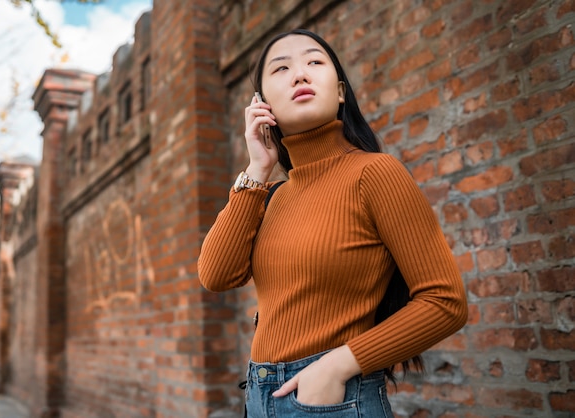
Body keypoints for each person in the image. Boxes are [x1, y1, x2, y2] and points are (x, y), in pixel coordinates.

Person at [198, 28, 468, 417]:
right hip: (259, 398)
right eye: (281, 68)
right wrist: (258, 168)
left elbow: (445, 303)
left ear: (340, 91)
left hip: (333, 399)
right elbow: (215, 274)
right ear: (262, 105)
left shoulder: (374, 173)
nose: (300, 74)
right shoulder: (271, 195)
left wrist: (336, 367)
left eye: (314, 62)